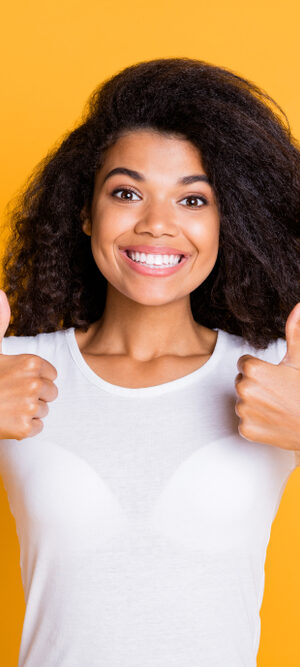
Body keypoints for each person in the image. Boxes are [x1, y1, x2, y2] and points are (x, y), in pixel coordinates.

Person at [0, 57, 299, 666]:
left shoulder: (282, 374)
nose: (157, 224)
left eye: (193, 200)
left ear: (226, 224)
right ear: (86, 212)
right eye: (127, 192)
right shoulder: (12, 369)